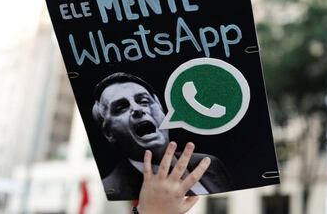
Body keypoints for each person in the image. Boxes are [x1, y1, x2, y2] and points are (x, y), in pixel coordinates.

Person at [92, 72, 233, 200]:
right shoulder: (112, 190)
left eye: (144, 101)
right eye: (121, 107)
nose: (137, 109)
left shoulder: (210, 165)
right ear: (108, 133)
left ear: (162, 110)